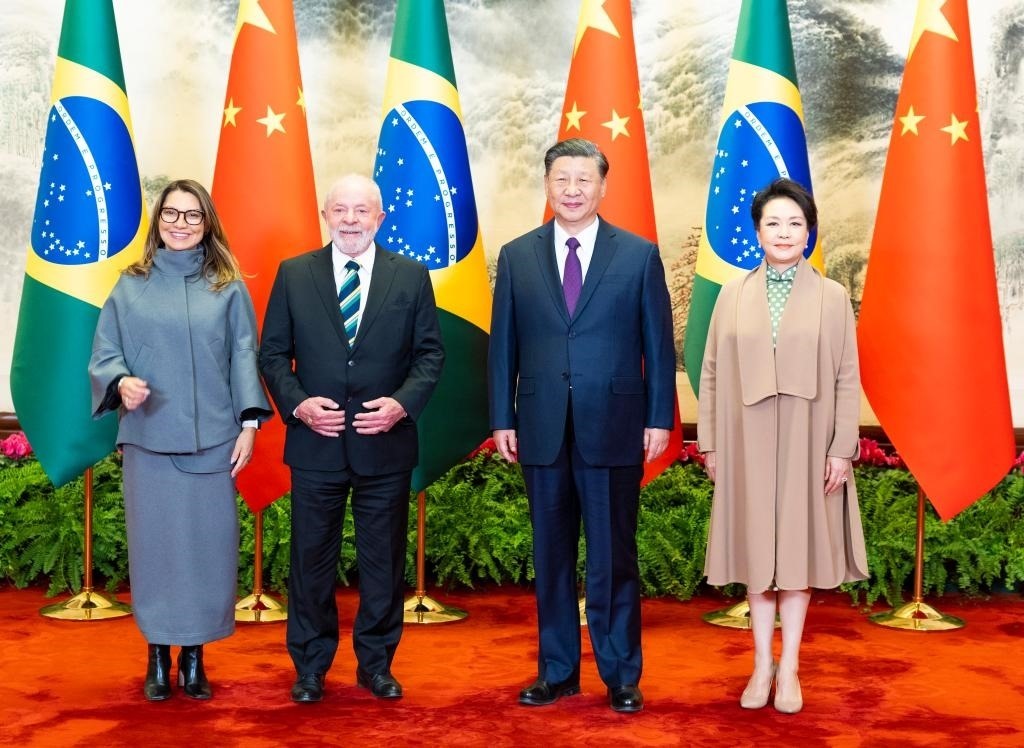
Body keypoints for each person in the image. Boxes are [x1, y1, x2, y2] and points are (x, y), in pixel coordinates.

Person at [488, 138, 676, 713]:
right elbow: (503, 347)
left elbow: (658, 346)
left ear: (602, 186)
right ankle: (557, 671)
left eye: (583, 180)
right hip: (540, 426)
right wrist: (502, 418)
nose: (572, 190)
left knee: (613, 556)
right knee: (551, 556)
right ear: (547, 185)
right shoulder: (517, 256)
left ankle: (620, 674)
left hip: (614, 424)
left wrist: (658, 418)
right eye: (561, 179)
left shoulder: (638, 255)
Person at [259, 173, 444, 704]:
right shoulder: (295, 274)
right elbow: (273, 353)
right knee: (310, 562)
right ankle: (310, 667)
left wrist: (401, 405)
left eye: (361, 211)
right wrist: (298, 405)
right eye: (340, 210)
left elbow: (430, 355)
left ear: (379, 218)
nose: (350, 220)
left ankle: (376, 665)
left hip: (385, 445)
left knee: (383, 563)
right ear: (326, 215)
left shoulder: (411, 276)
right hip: (315, 445)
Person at [89, 179, 272, 701]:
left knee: (206, 553)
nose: (181, 224)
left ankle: (194, 657)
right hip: (148, 442)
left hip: (214, 440)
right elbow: (105, 352)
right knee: (156, 553)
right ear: (158, 220)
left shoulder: (228, 286)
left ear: (207, 223)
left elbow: (244, 355)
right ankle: (156, 655)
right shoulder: (130, 285)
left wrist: (250, 425)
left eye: (193, 215)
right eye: (172, 213)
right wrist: (121, 382)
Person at [698, 177, 869, 714]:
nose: (784, 232)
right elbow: (711, 373)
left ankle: (789, 666)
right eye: (773, 222)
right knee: (756, 552)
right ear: (757, 231)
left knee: (796, 552)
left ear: (809, 231)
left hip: (809, 438)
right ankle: (760, 665)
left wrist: (841, 448)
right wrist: (711, 444)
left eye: (795, 223)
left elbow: (846, 376)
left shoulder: (833, 297)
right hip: (743, 439)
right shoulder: (732, 294)